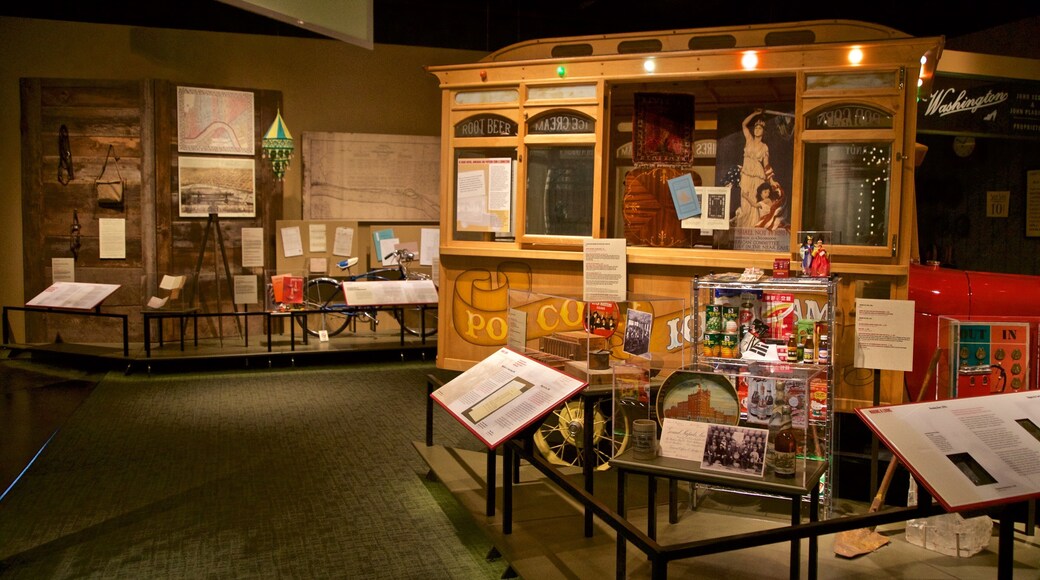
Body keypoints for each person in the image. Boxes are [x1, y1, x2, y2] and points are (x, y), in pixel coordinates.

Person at [733, 109, 772, 229]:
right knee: (745, 204)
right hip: (746, 175)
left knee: (755, 205)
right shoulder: (749, 140)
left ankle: (753, 230)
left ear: (763, 132)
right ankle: (744, 230)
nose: (757, 130)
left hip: (758, 177)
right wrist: (755, 114)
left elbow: (766, 165)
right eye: (755, 127)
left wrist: (771, 180)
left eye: (760, 128)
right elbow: (744, 124)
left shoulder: (764, 147)